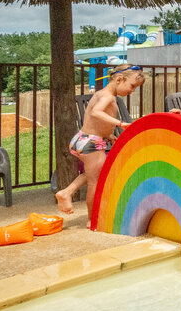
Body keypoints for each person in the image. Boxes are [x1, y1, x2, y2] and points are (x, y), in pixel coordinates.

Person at [53, 65, 146, 215]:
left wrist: (108, 134)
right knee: (95, 182)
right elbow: (96, 112)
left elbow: (92, 118)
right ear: (119, 79)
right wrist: (120, 123)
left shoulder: (101, 94)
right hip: (92, 143)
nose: (133, 90)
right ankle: (93, 220)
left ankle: (66, 192)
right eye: (132, 86)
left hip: (81, 138)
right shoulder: (108, 97)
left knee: (92, 174)